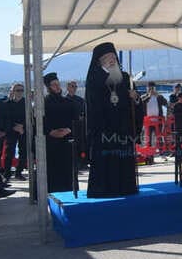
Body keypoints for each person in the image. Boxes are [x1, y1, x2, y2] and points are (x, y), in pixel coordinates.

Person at [84, 43, 139, 198]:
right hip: (103, 128)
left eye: (114, 57)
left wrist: (135, 99)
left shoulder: (125, 77)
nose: (112, 60)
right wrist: (123, 97)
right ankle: (104, 191)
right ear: (99, 61)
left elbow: (134, 100)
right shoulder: (94, 78)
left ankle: (126, 188)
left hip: (122, 127)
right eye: (108, 58)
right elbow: (96, 102)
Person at [42, 73, 77, 193]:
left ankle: (68, 190)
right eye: (53, 85)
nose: (57, 87)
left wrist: (69, 130)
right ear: (48, 87)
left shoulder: (67, 101)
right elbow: (40, 122)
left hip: (66, 140)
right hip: (51, 142)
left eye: (58, 84)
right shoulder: (44, 103)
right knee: (53, 170)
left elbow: (76, 119)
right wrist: (51, 132)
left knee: (67, 169)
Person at [0, 83, 27, 181]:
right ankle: (7, 174)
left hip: (23, 130)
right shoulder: (6, 104)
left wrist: (22, 126)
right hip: (10, 130)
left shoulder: (26, 104)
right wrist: (13, 127)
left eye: (21, 90)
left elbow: (30, 117)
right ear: (13, 91)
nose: (20, 92)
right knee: (8, 153)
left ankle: (19, 172)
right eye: (17, 90)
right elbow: (5, 118)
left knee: (24, 152)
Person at [140, 82, 168, 150]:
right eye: (149, 88)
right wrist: (149, 96)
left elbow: (165, 103)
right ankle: (149, 151)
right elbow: (141, 104)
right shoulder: (144, 96)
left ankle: (161, 150)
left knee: (159, 136)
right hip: (148, 121)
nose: (151, 90)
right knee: (148, 136)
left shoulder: (159, 96)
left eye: (152, 88)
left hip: (158, 120)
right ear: (147, 88)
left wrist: (158, 96)